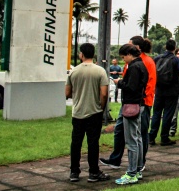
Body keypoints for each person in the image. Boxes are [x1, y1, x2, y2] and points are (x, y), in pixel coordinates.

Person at [100, 36, 155, 173]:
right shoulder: (132, 62)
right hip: (129, 102)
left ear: (136, 48)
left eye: (129, 45)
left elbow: (148, 83)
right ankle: (116, 159)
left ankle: (138, 164)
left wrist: (144, 100)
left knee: (138, 134)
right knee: (120, 130)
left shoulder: (144, 62)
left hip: (138, 102)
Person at [65, 43, 110, 183]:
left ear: (81, 54)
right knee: (93, 143)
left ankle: (74, 172)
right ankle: (93, 172)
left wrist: (78, 96)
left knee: (76, 143)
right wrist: (101, 108)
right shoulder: (100, 71)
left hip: (78, 112)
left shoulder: (74, 71)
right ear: (93, 54)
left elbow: (67, 93)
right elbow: (104, 94)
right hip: (94, 112)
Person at [113, 44, 148, 185]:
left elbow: (131, 87)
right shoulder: (142, 64)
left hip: (131, 105)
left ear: (129, 54)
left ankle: (132, 172)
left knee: (131, 140)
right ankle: (138, 169)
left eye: (123, 57)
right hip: (140, 104)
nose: (123, 60)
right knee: (138, 138)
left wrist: (119, 82)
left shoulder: (134, 67)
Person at [149, 39, 179, 146]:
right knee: (167, 114)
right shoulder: (175, 60)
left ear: (165, 47)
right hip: (172, 91)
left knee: (156, 113)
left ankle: (151, 137)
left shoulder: (157, 58)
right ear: (174, 48)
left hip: (159, 90)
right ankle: (164, 137)